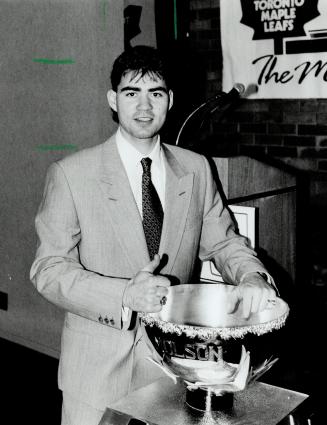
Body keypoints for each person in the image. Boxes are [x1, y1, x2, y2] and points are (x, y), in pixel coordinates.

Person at [30, 45, 276, 425]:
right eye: (132, 93)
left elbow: (224, 241)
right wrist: (124, 294)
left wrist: (252, 276)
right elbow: (48, 270)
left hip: (173, 370)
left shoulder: (196, 169)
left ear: (170, 100)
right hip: (96, 372)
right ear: (114, 99)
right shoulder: (71, 173)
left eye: (155, 93)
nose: (144, 107)